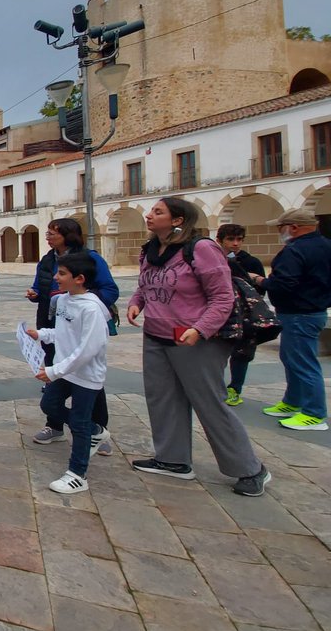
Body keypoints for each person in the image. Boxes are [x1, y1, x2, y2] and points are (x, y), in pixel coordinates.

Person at [127, 197, 270, 496]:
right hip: (156, 335)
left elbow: (222, 297)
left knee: (210, 402)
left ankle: (250, 469)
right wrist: (136, 303)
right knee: (162, 398)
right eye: (151, 211)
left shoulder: (202, 249)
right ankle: (173, 460)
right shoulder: (150, 249)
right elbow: (145, 284)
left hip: (196, 338)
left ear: (178, 220)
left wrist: (200, 329)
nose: (149, 215)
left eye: (158, 211)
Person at [27, 218, 119, 454]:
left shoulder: (89, 259)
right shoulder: (47, 260)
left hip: (80, 325)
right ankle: (54, 426)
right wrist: (35, 294)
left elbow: (110, 290)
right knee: (55, 372)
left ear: (69, 235)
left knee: (87, 380)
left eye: (52, 233)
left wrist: (79, 304)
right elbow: (41, 286)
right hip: (52, 322)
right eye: (47, 233)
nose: (47, 236)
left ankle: (98, 429)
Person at [25, 253, 109, 494]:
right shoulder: (61, 301)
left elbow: (88, 350)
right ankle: (96, 432)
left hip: (85, 375)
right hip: (64, 371)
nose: (55, 277)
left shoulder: (92, 309)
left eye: (62, 274)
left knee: (79, 423)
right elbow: (62, 333)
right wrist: (41, 335)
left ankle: (77, 474)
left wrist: (53, 371)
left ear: (80, 279)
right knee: (49, 405)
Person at [248, 209, 331, 431]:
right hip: (314, 310)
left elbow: (284, 283)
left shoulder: (294, 250)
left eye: (280, 227)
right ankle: (293, 401)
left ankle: (314, 413)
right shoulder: (326, 245)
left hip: (299, 313)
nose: (280, 231)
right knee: (291, 358)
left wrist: (260, 280)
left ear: (293, 227)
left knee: (303, 362)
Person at [216, 223, 266, 407]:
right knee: (217, 352)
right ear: (219, 240)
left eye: (239, 239)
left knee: (241, 354)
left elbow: (259, 292)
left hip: (244, 315)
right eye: (230, 239)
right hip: (221, 314)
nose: (235, 243)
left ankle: (235, 388)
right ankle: (215, 386)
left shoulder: (251, 262)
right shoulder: (213, 259)